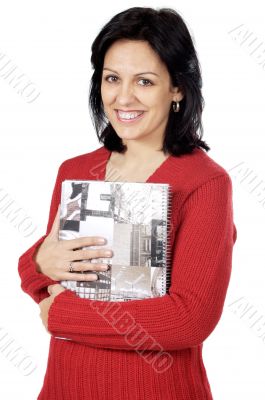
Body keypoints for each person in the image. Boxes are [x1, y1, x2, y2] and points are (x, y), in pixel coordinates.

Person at [18, 6, 237, 400]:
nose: (123, 97)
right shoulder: (75, 170)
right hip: (64, 388)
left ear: (178, 88)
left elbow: (189, 319)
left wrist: (65, 315)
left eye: (145, 81)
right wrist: (35, 264)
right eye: (112, 78)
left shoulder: (205, 183)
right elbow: (51, 270)